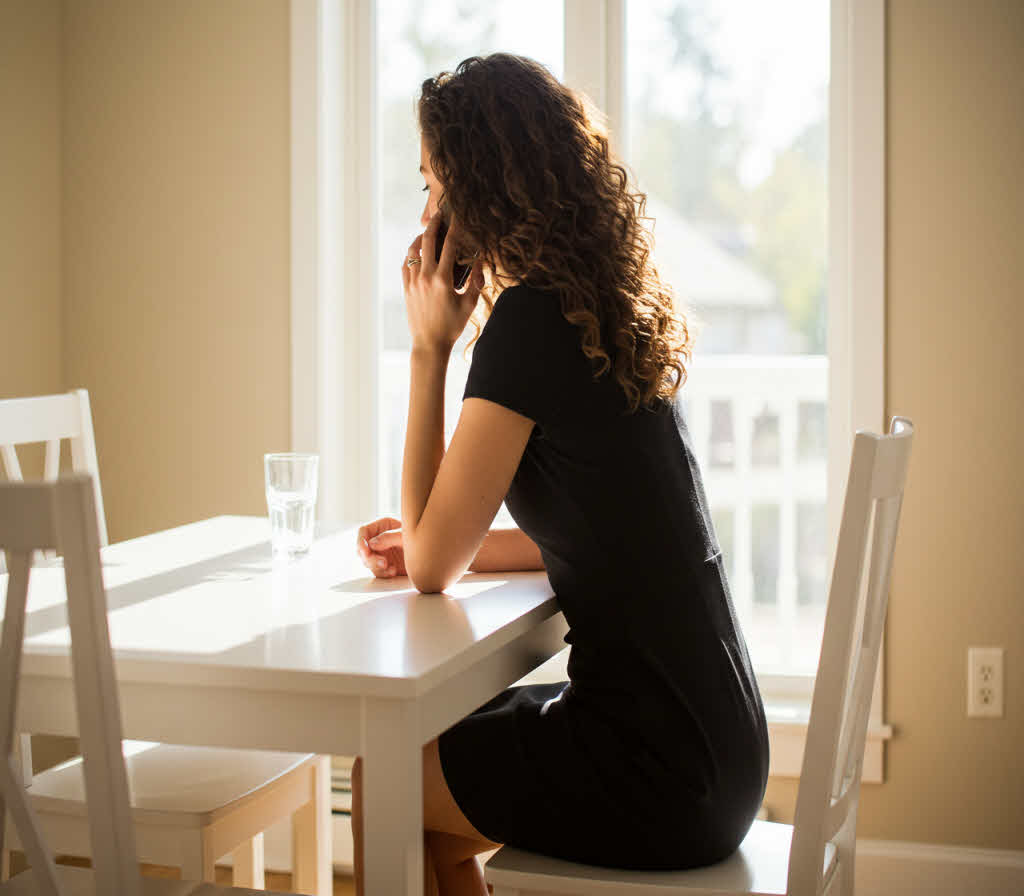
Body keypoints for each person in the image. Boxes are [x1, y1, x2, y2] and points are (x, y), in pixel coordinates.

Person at [352, 53, 769, 896]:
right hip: (716, 746)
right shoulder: (598, 311)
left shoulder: (530, 329)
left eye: (433, 185)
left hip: (658, 767)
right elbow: (597, 535)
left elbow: (435, 569)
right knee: (427, 758)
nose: (426, 211)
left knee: (383, 783)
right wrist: (455, 543)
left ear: (478, 192)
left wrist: (429, 350)